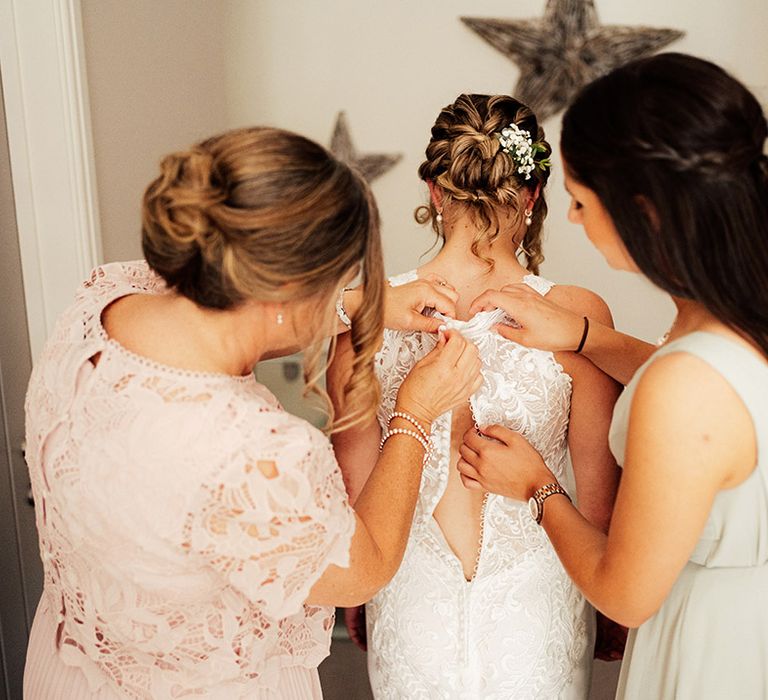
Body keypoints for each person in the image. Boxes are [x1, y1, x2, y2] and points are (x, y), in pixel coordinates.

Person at [22, 126, 483, 699]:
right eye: (339, 277)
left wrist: (359, 305)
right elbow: (364, 569)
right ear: (286, 287)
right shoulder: (256, 453)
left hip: (71, 670)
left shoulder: (100, 305)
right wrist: (416, 413)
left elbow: (230, 323)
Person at [459, 54, 768, 699]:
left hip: (713, 652)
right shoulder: (731, 320)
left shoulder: (683, 386)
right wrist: (582, 337)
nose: (569, 218)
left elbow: (622, 594)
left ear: (642, 211)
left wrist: (538, 488)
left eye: (578, 200)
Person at [328, 94, 622, 698]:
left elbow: (353, 496)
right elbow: (598, 497)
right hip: (539, 606)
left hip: (410, 605)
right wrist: (609, 610)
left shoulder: (363, 317)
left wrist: (360, 602)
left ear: (436, 191)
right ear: (534, 196)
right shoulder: (574, 316)